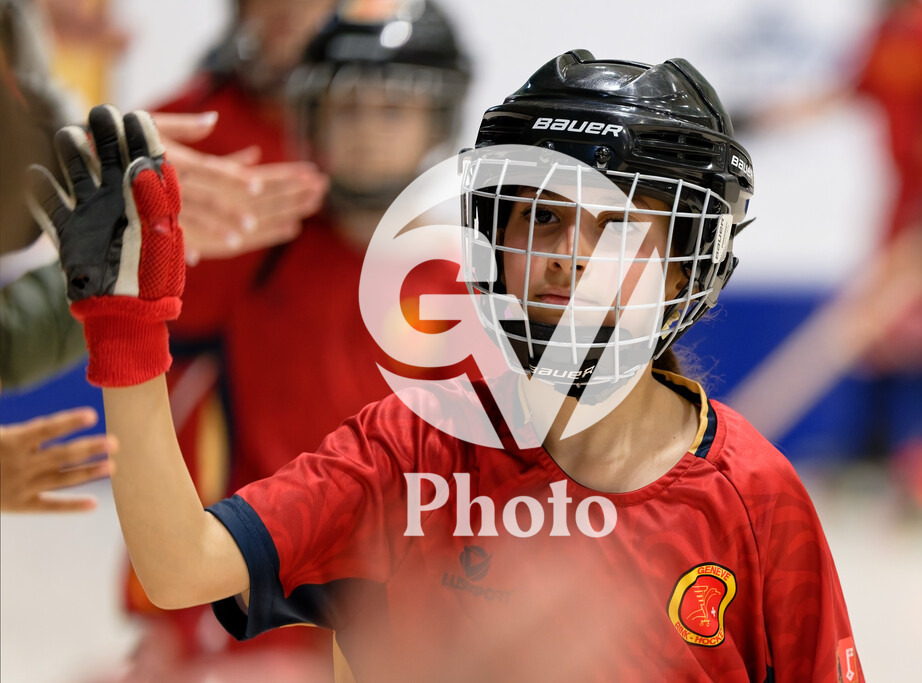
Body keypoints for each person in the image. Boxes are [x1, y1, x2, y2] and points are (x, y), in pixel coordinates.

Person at [30, 49, 862, 682]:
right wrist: (127, 328)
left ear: (685, 265)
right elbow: (180, 566)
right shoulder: (410, 447)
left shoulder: (757, 498)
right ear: (491, 241)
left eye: (613, 226)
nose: (569, 256)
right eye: (540, 216)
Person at [115, 1, 472, 680]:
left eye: (393, 109)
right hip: (269, 586)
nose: (366, 131)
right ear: (308, 119)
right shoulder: (250, 254)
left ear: (439, 119)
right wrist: (165, 616)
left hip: (429, 602)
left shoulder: (478, 275)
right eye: (346, 108)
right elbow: (175, 415)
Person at [745, 0, 922, 517]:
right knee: (876, 326)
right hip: (902, 201)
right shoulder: (882, 37)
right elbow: (842, 94)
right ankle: (870, 452)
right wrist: (759, 119)